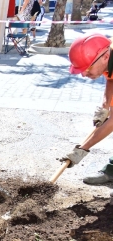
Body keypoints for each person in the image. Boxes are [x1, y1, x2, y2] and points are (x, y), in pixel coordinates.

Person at [60, 33, 113, 185]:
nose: (83, 74)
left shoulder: (105, 54)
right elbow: (111, 77)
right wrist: (105, 105)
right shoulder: (105, 52)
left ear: (104, 57)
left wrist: (82, 149)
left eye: (88, 68)